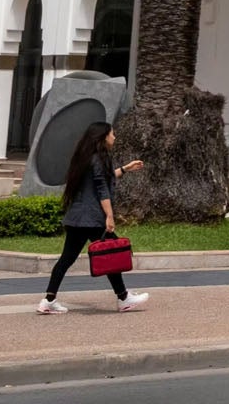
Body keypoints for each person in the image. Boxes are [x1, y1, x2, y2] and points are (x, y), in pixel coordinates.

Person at [38, 122, 149, 314]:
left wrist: (125, 168)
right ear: (103, 137)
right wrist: (109, 216)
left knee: (66, 259)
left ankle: (48, 300)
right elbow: (101, 188)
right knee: (112, 253)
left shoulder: (84, 157)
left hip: (76, 217)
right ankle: (124, 298)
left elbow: (102, 179)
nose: (114, 137)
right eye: (112, 134)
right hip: (92, 218)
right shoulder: (99, 158)